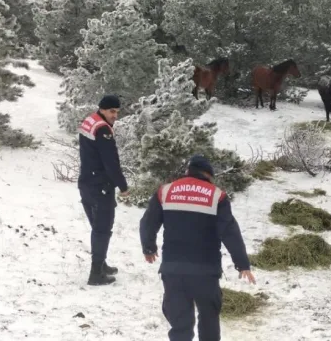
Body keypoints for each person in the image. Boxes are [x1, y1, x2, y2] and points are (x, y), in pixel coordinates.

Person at [140, 155, 256, 341]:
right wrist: (242, 264)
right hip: (205, 271)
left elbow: (148, 222)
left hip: (173, 269)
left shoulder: (165, 191)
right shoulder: (217, 195)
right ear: (209, 175)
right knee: (209, 320)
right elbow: (229, 231)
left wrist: (149, 248)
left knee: (180, 325)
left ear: (188, 172)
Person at [78, 94, 129, 286]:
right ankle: (96, 273)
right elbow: (110, 162)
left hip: (86, 181)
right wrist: (122, 185)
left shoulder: (90, 120)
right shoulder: (103, 130)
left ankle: (101, 263)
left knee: (97, 226)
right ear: (102, 109)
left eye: (117, 112)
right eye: (112, 111)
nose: (115, 115)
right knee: (102, 229)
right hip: (100, 186)